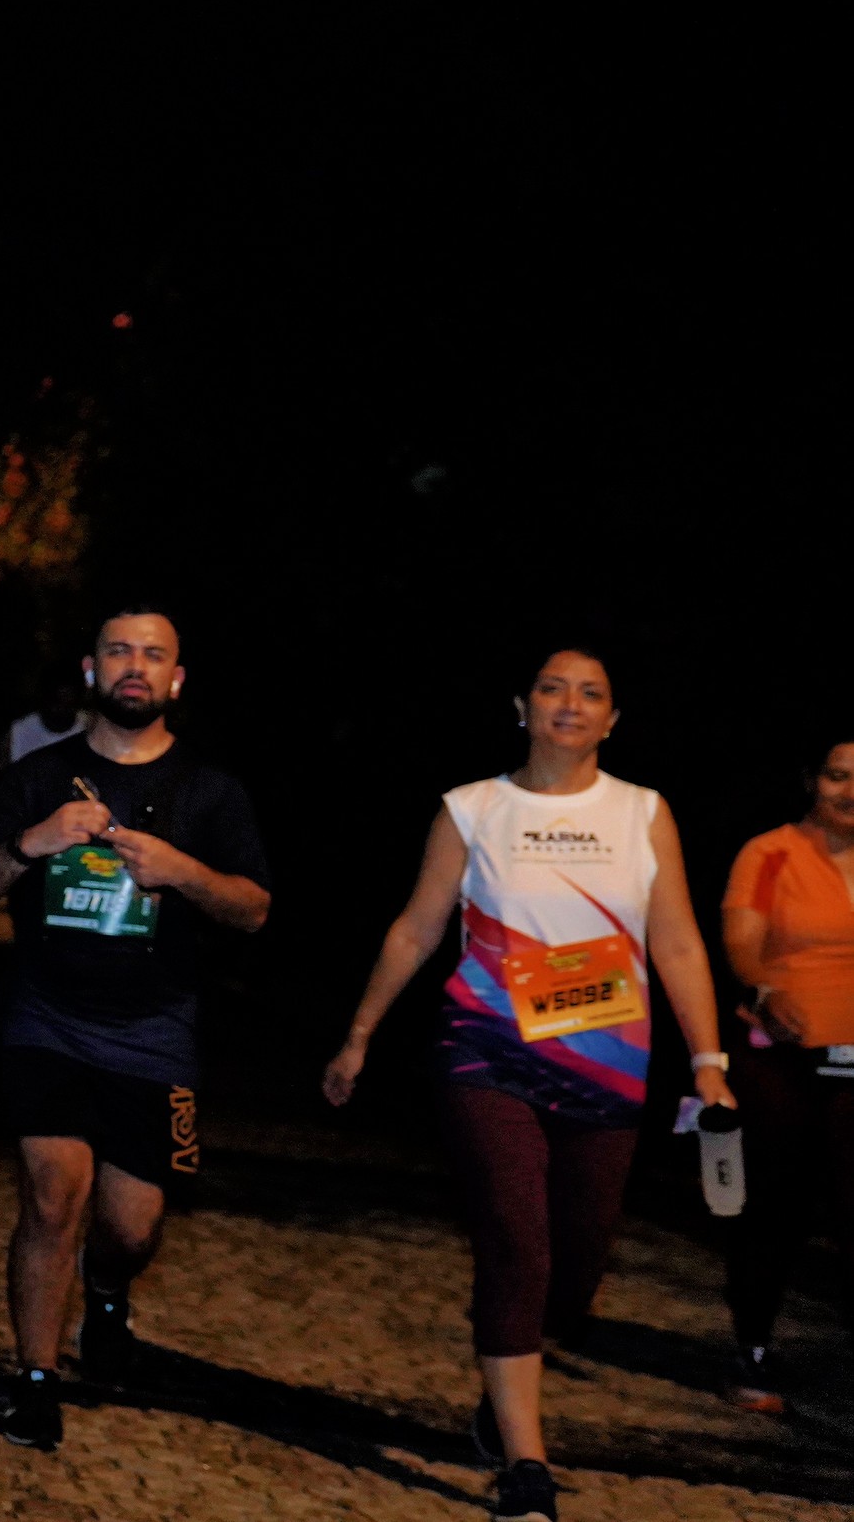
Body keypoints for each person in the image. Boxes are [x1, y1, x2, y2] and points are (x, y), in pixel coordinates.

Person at [322, 648, 735, 1522]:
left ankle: (503, 1380)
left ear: (612, 719)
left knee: (576, 1267)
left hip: (606, 1063)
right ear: (522, 705)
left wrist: (709, 1062)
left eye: (591, 693)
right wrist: (358, 1034)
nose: (569, 704)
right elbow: (415, 928)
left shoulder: (641, 811)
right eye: (552, 687)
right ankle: (525, 1464)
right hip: (486, 1051)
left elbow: (677, 942)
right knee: (516, 1239)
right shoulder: (472, 807)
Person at [0, 607, 271, 1452]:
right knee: (52, 1193)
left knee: (130, 1227)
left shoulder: (210, 790)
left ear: (176, 679)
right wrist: (30, 843)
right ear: (90, 671)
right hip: (43, 1018)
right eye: (118, 651)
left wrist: (183, 871)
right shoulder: (37, 775)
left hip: (153, 1031)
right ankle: (35, 1381)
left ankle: (106, 1288)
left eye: (153, 654)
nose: (136, 665)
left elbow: (252, 909)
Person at [716, 735, 854, 1414]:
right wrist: (766, 989)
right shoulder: (768, 852)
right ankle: (752, 1348)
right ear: (811, 780)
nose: (850, 792)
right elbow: (741, 942)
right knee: (777, 1203)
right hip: (784, 1053)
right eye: (837, 775)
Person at [0, 674, 83, 768]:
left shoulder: (89, 727)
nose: (61, 709)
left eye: (68, 704)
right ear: (44, 699)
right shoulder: (19, 731)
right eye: (56, 702)